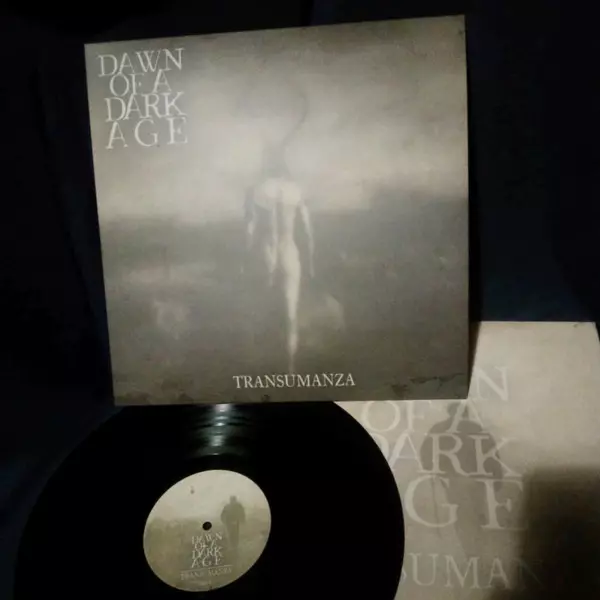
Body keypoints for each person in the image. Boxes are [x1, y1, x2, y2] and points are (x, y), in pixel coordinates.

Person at [244, 147, 315, 373]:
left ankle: (263, 368)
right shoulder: (296, 190)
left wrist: (246, 258)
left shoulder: (255, 189)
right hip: (289, 251)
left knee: (262, 310)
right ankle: (290, 369)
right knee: (291, 314)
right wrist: (311, 263)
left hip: (265, 252)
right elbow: (308, 233)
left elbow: (249, 229)